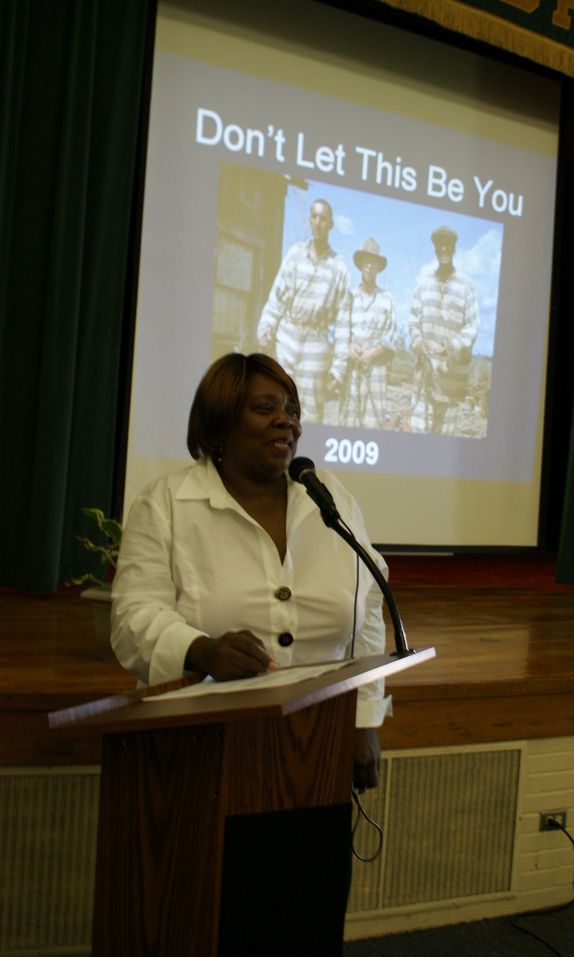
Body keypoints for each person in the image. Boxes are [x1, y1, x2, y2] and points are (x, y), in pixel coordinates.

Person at [111, 352, 391, 792]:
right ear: (220, 423)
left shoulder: (329, 499)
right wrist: (200, 651)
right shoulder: (166, 503)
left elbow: (369, 607)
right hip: (200, 751)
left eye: (292, 411)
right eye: (266, 409)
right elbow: (132, 620)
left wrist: (363, 720)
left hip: (318, 746)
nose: (287, 422)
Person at [256, 199, 351, 424]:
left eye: (323, 218)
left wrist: (338, 367)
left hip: (316, 346)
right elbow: (276, 298)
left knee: (308, 414)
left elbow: (343, 322)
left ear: (331, 224)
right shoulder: (295, 254)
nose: (317, 223)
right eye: (313, 217)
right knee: (279, 404)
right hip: (287, 336)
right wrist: (266, 328)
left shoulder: (339, 267)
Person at [407, 225, 480, 434]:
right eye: (440, 245)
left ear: (454, 248)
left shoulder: (467, 286)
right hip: (424, 381)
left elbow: (473, 326)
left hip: (452, 383)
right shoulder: (423, 284)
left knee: (443, 443)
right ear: (435, 249)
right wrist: (419, 342)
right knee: (418, 442)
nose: (443, 249)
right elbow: (412, 322)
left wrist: (448, 347)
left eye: (447, 245)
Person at [331, 237, 397, 429]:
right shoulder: (349, 296)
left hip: (376, 370)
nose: (369, 265)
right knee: (348, 422)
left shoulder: (387, 299)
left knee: (372, 424)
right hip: (352, 368)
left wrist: (372, 354)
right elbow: (341, 330)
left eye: (373, 261)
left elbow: (391, 336)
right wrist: (349, 347)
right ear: (360, 264)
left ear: (378, 266)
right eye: (365, 260)